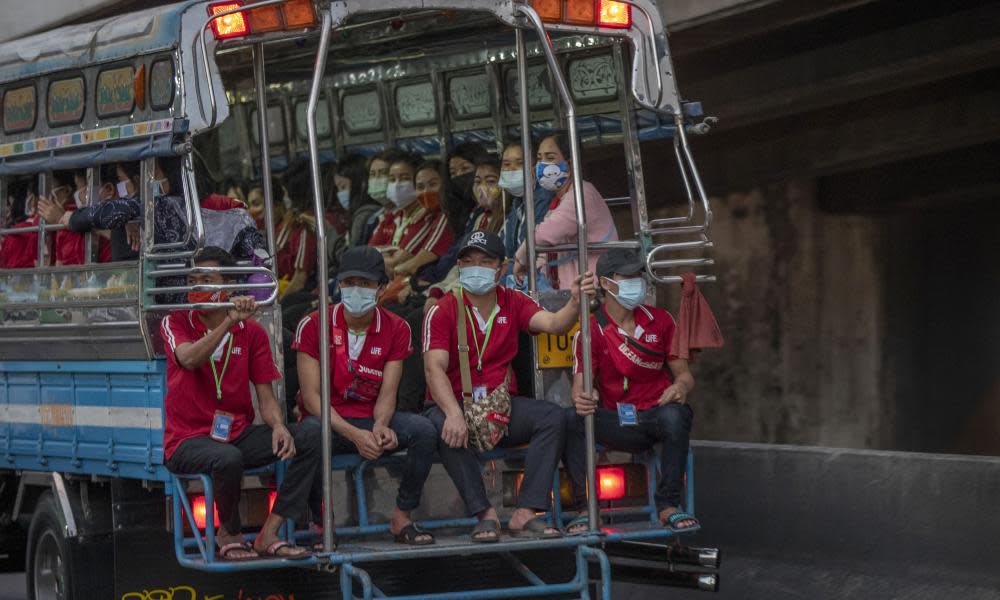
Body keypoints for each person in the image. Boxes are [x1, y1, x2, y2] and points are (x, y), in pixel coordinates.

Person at [422, 230, 596, 542]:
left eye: (485, 261)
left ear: (501, 268)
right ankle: (484, 513)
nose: (476, 267)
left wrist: (574, 301)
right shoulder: (443, 309)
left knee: (553, 417)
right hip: (455, 404)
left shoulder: (513, 300)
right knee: (441, 427)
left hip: (500, 405)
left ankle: (525, 511)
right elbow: (433, 368)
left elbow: (555, 324)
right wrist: (452, 413)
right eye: (469, 261)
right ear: (459, 266)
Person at [161, 246, 318, 560]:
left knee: (311, 434)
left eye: (207, 278)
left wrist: (277, 426)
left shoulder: (253, 333)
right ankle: (229, 532)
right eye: (193, 278)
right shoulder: (176, 321)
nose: (197, 285)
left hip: (236, 433)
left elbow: (266, 396)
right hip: (187, 440)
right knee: (227, 458)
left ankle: (269, 532)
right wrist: (227, 324)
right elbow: (189, 359)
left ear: (229, 285)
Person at [294, 246, 438, 546]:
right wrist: (355, 435)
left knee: (423, 430)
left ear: (381, 288)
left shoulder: (396, 327)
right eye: (349, 283)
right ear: (338, 285)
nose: (355, 290)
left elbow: (388, 392)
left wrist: (381, 425)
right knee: (309, 434)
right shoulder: (313, 323)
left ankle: (402, 515)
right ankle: (320, 522)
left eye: (365, 284)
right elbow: (311, 398)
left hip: (370, 416)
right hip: (329, 420)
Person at [563, 248, 699, 534]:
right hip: (618, 420)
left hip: (657, 415)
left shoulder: (661, 321)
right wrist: (584, 398)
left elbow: (685, 375)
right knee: (570, 420)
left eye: (637, 275)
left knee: (677, 417)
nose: (635, 282)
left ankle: (668, 506)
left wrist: (679, 387)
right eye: (627, 276)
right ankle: (586, 510)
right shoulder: (590, 329)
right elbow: (579, 386)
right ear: (605, 283)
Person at [513, 131, 618, 289]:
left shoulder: (581, 194)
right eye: (540, 158)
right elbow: (547, 250)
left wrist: (520, 260)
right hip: (571, 289)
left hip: (593, 288)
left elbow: (545, 234)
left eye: (550, 158)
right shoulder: (559, 199)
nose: (542, 165)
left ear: (570, 163)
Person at [333, 154, 381, 248]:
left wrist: (329, 234)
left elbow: (351, 257)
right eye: (338, 188)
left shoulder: (364, 216)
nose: (339, 193)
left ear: (362, 184)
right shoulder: (356, 215)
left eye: (343, 187)